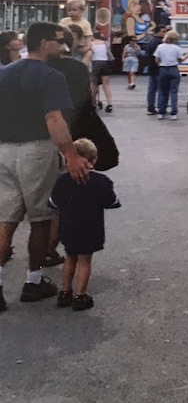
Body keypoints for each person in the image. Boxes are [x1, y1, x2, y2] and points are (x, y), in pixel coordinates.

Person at [0, 22, 92, 313]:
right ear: (43, 43)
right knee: (41, 217)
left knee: (6, 219)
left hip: (4, 149)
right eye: (58, 40)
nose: (63, 45)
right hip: (37, 149)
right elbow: (54, 118)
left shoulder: (4, 74)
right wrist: (71, 154)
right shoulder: (52, 76)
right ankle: (33, 280)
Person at [48, 138, 121, 311]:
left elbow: (53, 203)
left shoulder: (62, 181)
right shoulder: (101, 181)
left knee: (69, 257)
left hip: (67, 226)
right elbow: (111, 202)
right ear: (94, 160)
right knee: (85, 261)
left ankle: (65, 292)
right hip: (90, 227)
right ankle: (80, 296)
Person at [47, 26, 94, 268]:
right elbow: (87, 101)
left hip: (40, 135)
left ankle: (44, 250)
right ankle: (52, 247)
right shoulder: (76, 68)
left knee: (47, 198)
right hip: (69, 131)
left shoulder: (41, 66)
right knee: (64, 196)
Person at [154, 30, 188, 120]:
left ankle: (161, 111)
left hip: (163, 69)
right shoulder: (177, 48)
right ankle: (174, 113)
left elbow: (157, 60)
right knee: (174, 92)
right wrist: (187, 55)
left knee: (162, 91)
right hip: (174, 69)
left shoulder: (160, 47)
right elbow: (180, 60)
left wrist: (161, 63)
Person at [89, 31, 114, 113]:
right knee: (106, 85)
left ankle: (93, 103)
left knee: (94, 85)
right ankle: (110, 103)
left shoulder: (91, 44)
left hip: (95, 63)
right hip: (105, 63)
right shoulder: (105, 43)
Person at [145, 25, 167, 115]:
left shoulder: (151, 42)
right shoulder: (160, 43)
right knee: (161, 89)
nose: (165, 33)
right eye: (163, 31)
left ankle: (150, 107)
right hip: (159, 69)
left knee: (152, 89)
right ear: (158, 32)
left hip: (151, 68)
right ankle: (161, 107)